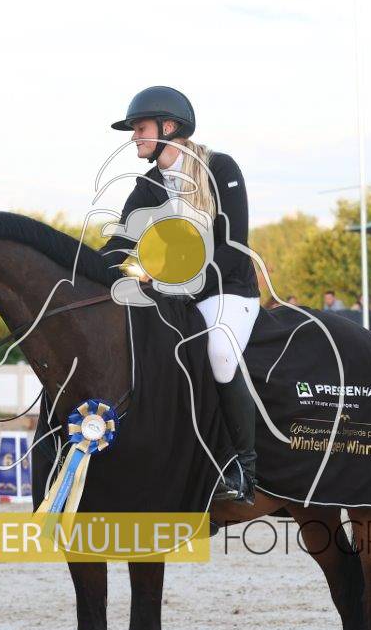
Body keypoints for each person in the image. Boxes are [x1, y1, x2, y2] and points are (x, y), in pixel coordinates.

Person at [102, 86, 259, 504]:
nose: (134, 137)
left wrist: (183, 286)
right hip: (177, 295)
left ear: (168, 127)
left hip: (229, 289)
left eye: (140, 128)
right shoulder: (149, 185)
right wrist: (75, 267)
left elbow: (234, 246)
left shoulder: (219, 168)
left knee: (219, 351)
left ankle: (244, 469)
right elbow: (121, 243)